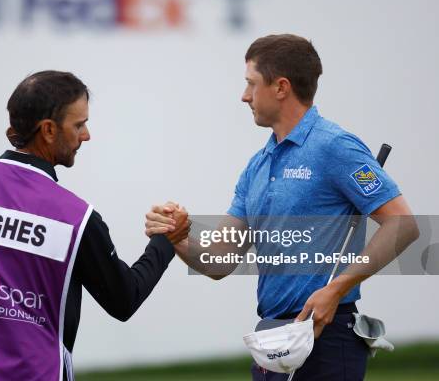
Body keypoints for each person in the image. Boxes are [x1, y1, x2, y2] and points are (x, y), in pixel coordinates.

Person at [145, 34, 419, 380]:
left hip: (327, 336)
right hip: (272, 338)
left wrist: (336, 288)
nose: (244, 96)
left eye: (251, 84)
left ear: (281, 87)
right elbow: (218, 261)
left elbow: (403, 224)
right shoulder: (257, 165)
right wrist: (177, 235)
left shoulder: (336, 147)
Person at [0, 70, 190, 381]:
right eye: (79, 125)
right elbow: (123, 300)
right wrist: (165, 240)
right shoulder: (77, 217)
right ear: (48, 130)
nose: (87, 135)